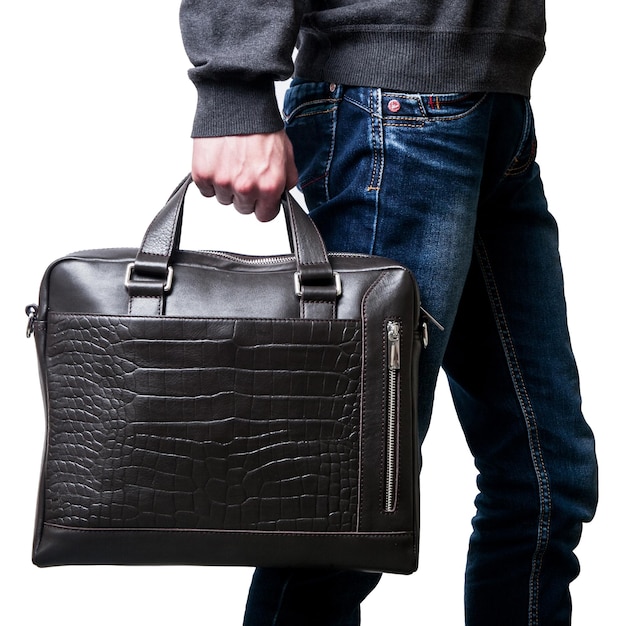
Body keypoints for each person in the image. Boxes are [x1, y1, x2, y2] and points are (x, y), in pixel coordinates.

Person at [179, 2, 598, 624]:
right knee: (352, 497)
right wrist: (233, 83)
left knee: (545, 480)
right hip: (393, 107)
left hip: (496, 101)